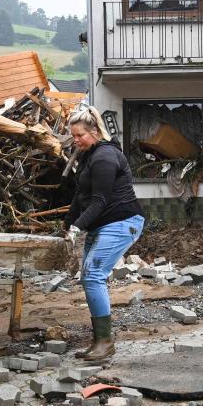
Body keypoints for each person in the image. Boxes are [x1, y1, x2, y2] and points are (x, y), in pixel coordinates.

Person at [64, 106, 144, 361]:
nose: (75, 141)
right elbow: (80, 196)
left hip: (123, 222)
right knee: (89, 276)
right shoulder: (89, 155)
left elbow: (99, 200)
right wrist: (67, 224)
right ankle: (99, 339)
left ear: (95, 132)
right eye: (73, 136)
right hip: (103, 224)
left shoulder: (105, 158)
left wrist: (78, 227)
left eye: (80, 136)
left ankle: (105, 342)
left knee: (93, 276)